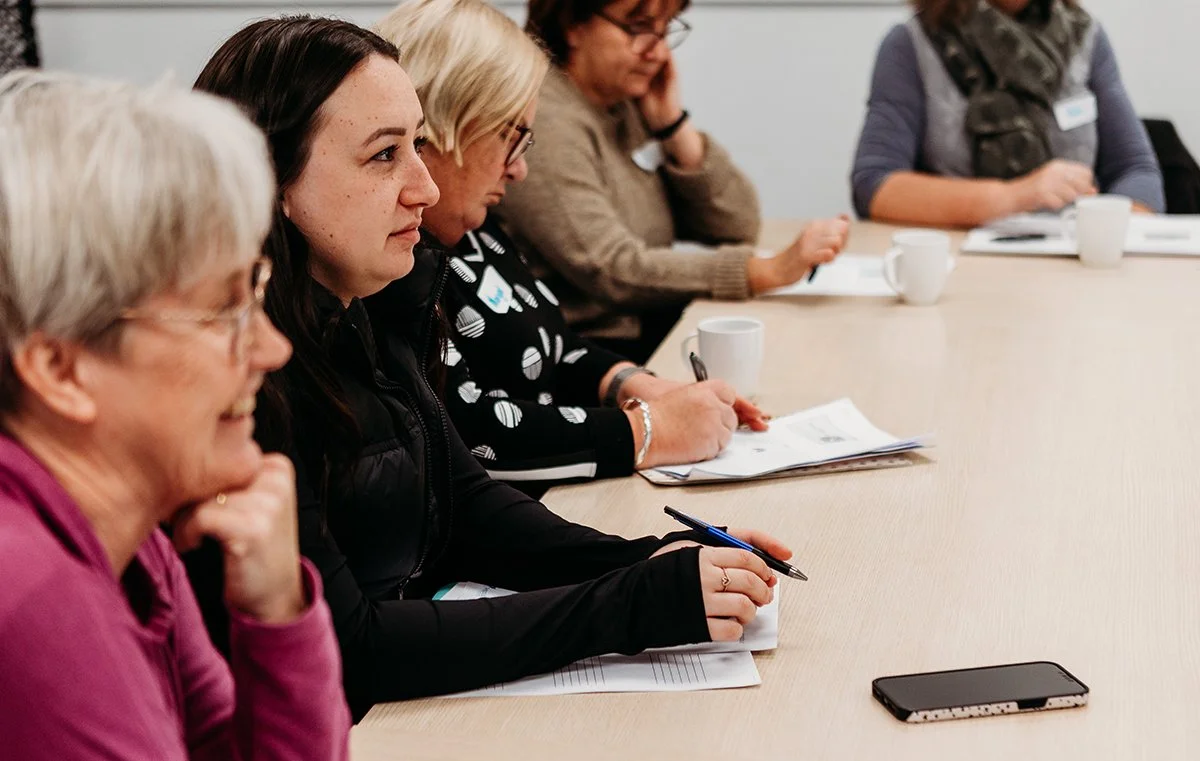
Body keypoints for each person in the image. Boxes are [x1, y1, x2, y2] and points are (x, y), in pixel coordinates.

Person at [192, 16, 792, 719]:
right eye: (385, 156)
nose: (425, 186)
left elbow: (468, 507)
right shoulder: (244, 377)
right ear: (270, 179)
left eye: (417, 145)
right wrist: (625, 605)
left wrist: (653, 559)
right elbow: (350, 646)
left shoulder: (364, 303)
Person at [0, 71, 348, 759]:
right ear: (62, 370)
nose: (273, 347)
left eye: (256, 294)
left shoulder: (138, 542)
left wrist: (278, 607)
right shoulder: (27, 595)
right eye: (225, 310)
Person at [374, 0, 767, 492]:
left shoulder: (471, 229)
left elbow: (548, 348)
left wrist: (633, 384)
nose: (518, 169)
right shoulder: (392, 261)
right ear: (451, 123)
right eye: (510, 138)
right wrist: (647, 431)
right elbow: (468, 435)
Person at [499, 0, 850, 362]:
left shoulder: (626, 104)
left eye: (665, 29)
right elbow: (612, 268)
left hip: (644, 331)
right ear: (574, 25)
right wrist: (766, 270)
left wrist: (673, 126)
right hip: (588, 354)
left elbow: (738, 223)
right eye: (639, 27)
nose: (658, 51)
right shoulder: (547, 118)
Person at [851, 0, 1165, 228]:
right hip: (961, 269)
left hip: (1073, 271)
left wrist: (1114, 231)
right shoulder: (911, 45)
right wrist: (1014, 197)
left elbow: (1136, 170)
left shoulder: (1086, 36)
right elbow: (876, 186)